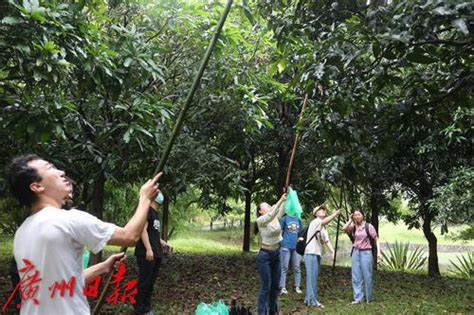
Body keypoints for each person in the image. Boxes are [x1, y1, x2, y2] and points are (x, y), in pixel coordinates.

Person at [6, 154, 162, 315]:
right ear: (37, 186)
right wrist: (145, 198)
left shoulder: (22, 232)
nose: (61, 172)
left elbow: (58, 283)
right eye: (50, 168)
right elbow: (129, 236)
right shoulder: (68, 219)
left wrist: (102, 267)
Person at [133, 191, 171, 315]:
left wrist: (162, 242)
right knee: (144, 282)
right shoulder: (147, 211)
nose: (160, 195)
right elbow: (142, 231)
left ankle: (146, 308)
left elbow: (152, 233)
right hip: (146, 253)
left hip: (156, 253)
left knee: (150, 282)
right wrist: (148, 249)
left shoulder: (155, 213)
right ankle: (138, 309)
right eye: (158, 193)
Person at [255, 192, 287, 315]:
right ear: (260, 211)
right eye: (266, 206)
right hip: (264, 256)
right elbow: (274, 211)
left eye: (269, 205)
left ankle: (273, 311)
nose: (269, 207)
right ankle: (261, 312)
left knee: (275, 286)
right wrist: (279, 200)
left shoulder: (275, 217)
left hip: (276, 254)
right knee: (266, 287)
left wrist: (285, 197)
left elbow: (280, 208)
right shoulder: (261, 220)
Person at [304, 205, 340, 308]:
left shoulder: (323, 228)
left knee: (313, 277)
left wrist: (333, 252)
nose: (323, 210)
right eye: (320, 209)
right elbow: (325, 221)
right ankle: (312, 301)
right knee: (311, 277)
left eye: (323, 209)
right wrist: (335, 214)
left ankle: (309, 298)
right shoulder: (315, 222)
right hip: (310, 253)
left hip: (317, 254)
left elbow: (326, 241)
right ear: (315, 213)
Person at [342, 209, 381, 304]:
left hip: (366, 252)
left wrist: (379, 253)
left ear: (363, 216)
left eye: (359, 214)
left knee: (367, 275)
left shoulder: (369, 226)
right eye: (355, 215)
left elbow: (376, 239)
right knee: (356, 275)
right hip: (356, 252)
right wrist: (351, 219)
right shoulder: (353, 226)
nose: (357, 217)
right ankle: (358, 298)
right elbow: (344, 228)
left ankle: (369, 298)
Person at [278, 212, 303, 294]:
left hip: (296, 247)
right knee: (284, 267)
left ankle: (297, 286)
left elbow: (301, 233)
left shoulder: (298, 219)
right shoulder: (284, 219)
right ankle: (282, 287)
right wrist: (281, 242)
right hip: (285, 247)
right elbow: (279, 232)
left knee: (297, 267)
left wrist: (300, 239)